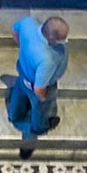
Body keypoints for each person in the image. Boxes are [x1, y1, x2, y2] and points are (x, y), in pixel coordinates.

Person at [7, 14, 69, 158]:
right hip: (36, 84)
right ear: (51, 38)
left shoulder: (28, 23)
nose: (65, 42)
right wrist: (43, 98)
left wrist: (25, 49)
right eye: (62, 39)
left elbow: (15, 31)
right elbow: (39, 89)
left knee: (18, 94)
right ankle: (39, 127)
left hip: (23, 73)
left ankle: (15, 115)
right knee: (39, 110)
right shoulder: (47, 59)